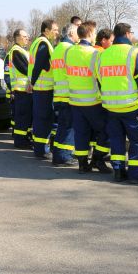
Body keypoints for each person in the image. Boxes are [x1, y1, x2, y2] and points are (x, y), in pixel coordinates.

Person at [97, 23, 138, 184]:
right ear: (128, 34)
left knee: (116, 140)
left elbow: (99, 78)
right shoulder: (134, 52)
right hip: (131, 106)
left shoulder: (104, 54)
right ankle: (136, 174)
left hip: (110, 107)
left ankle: (119, 172)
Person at [65, 22, 112, 174]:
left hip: (74, 100)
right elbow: (102, 78)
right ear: (91, 34)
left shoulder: (69, 51)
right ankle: (98, 159)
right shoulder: (95, 53)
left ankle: (82, 164)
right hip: (93, 101)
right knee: (106, 130)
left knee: (81, 133)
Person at [28, 19, 60, 159]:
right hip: (43, 88)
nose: (57, 32)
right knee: (43, 120)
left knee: (42, 119)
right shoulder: (43, 43)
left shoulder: (37, 42)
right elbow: (39, 63)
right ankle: (41, 150)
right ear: (46, 30)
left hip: (40, 88)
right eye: (55, 30)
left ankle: (40, 148)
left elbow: (43, 63)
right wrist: (33, 83)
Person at [50, 23, 79, 166]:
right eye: (76, 32)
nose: (78, 35)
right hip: (68, 95)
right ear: (71, 34)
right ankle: (64, 156)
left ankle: (58, 155)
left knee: (62, 126)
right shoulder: (70, 49)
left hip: (59, 94)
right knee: (68, 128)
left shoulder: (57, 49)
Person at [7, 29, 32, 149]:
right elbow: (26, 69)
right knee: (22, 118)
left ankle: (23, 139)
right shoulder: (16, 51)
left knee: (24, 117)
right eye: (25, 36)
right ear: (17, 37)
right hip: (22, 90)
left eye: (27, 36)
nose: (27, 38)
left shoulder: (22, 50)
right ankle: (20, 142)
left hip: (24, 89)